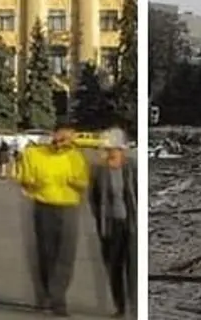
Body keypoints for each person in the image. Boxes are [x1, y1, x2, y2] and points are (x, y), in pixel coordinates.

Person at [15, 127, 90, 316]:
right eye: (57, 139)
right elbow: (24, 177)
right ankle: (45, 296)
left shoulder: (76, 157)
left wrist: (71, 180)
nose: (59, 144)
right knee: (46, 253)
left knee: (65, 255)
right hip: (43, 205)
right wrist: (33, 182)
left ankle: (58, 299)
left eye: (64, 141)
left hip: (68, 207)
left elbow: (82, 181)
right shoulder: (34, 154)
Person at [88, 129, 137, 318]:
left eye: (113, 149)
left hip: (130, 223)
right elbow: (93, 197)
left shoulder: (131, 167)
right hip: (109, 224)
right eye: (107, 149)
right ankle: (121, 306)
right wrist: (100, 219)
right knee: (114, 267)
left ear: (121, 150)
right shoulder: (99, 170)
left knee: (132, 268)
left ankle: (135, 307)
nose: (110, 153)